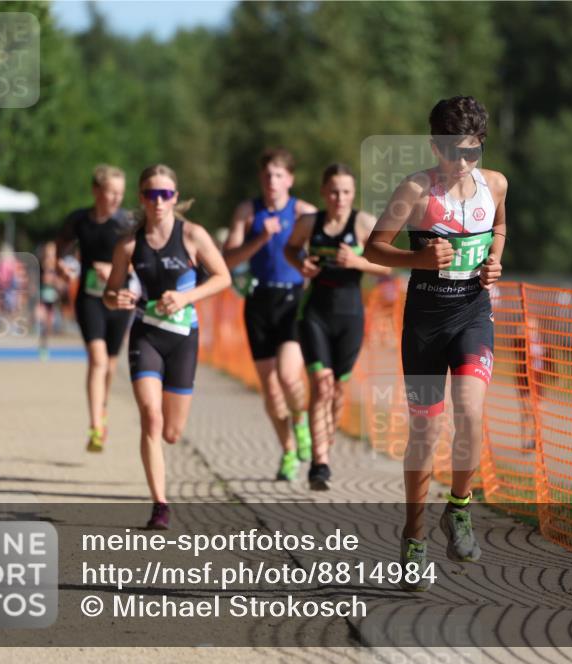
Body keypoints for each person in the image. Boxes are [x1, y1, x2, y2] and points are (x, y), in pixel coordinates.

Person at [364, 96, 507, 589]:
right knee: (426, 434)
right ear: (435, 145)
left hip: (472, 314)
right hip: (425, 320)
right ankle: (414, 537)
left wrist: (495, 262)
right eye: (452, 152)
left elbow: (500, 228)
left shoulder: (496, 186)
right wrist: (418, 261)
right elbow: (374, 248)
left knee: (470, 414)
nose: (462, 163)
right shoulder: (416, 190)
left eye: (471, 152)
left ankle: (460, 510)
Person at [103, 164, 231, 530]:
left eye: (165, 194)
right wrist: (119, 297)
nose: (157, 201)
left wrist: (187, 297)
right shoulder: (129, 244)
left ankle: (162, 484)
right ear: (141, 198)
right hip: (146, 335)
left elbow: (223, 277)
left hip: (182, 338)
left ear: (175, 198)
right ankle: (160, 505)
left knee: (172, 432)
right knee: (151, 417)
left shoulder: (192, 235)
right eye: (150, 194)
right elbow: (110, 295)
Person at [284, 163, 391, 490]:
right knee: (321, 382)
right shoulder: (309, 222)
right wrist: (301, 263)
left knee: (338, 389)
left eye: (345, 192)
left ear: (353, 193)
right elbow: (290, 247)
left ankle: (325, 443)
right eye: (333, 191)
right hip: (314, 312)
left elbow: (387, 265)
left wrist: (357, 261)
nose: (339, 198)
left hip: (350, 316)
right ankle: (320, 462)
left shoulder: (362, 223)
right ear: (323, 193)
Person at [223, 148, 318, 481]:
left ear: (290, 178)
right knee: (270, 387)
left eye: (279, 175)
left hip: (293, 299)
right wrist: (261, 238)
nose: (272, 181)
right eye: (267, 175)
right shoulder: (248, 212)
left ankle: (301, 420)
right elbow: (228, 261)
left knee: (290, 376)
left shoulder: (304, 212)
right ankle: (288, 450)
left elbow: (323, 252)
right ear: (261, 179)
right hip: (258, 299)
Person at [56, 165, 136, 452]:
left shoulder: (127, 222)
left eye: (120, 193)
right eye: (110, 192)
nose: (115, 198)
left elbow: (141, 258)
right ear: (96, 191)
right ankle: (95, 427)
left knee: (111, 365)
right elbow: (61, 248)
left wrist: (115, 269)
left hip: (119, 298)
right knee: (97, 360)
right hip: (90, 299)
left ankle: (102, 408)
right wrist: (63, 268)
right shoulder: (79, 220)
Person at [37, 241, 67, 358]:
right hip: (41, 298)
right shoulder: (40, 265)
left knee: (49, 324)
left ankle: (45, 345)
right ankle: (42, 345)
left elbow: (63, 285)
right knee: (43, 321)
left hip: (53, 299)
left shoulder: (58, 267)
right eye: (48, 253)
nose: (50, 255)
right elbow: (38, 281)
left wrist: (56, 281)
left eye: (53, 253)